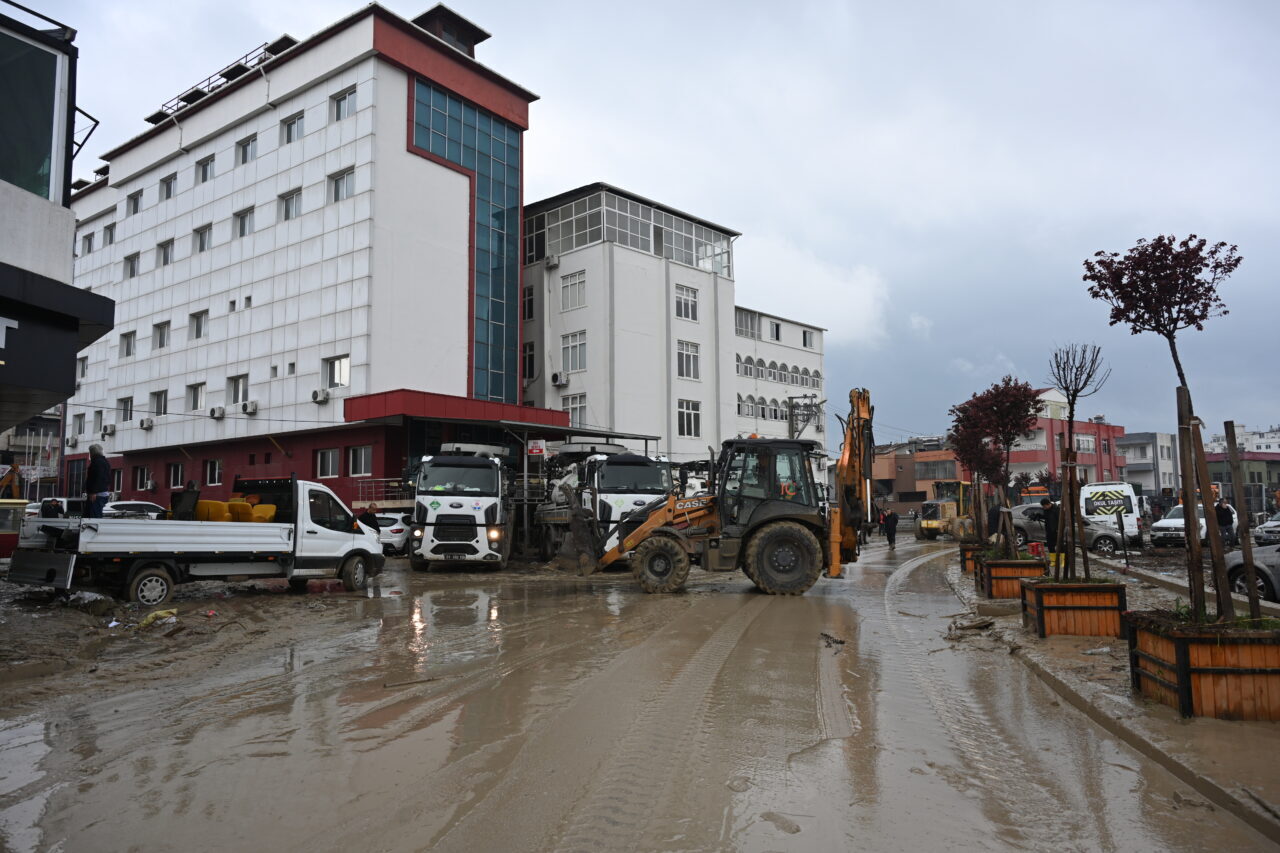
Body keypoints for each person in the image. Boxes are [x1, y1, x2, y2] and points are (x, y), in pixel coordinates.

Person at [82, 444, 112, 518]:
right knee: (91, 516)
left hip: (97, 495)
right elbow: (106, 478)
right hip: (101, 493)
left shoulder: (97, 462)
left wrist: (93, 492)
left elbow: (97, 477)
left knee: (93, 518)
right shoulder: (104, 462)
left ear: (92, 453)